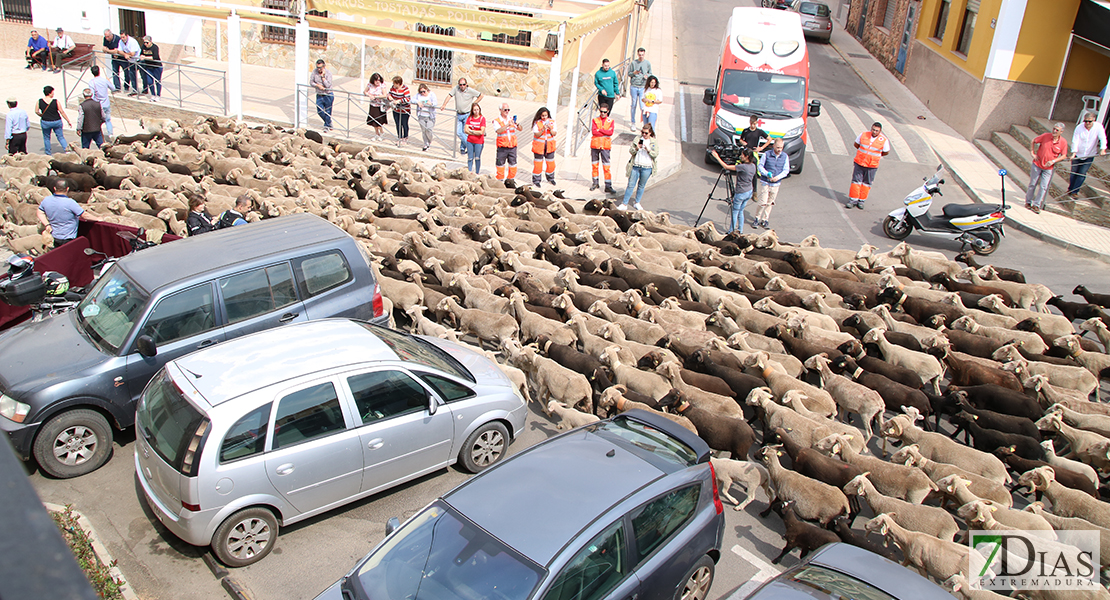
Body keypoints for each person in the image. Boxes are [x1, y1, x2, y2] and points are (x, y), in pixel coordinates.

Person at [37, 180, 101, 248]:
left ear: (55, 188)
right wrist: (97, 218)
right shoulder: (70, 203)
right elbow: (84, 215)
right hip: (68, 238)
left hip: (54, 236)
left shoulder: (46, 200)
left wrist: (47, 225)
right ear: (67, 189)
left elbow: (39, 212)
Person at [1026, 122, 1068, 214]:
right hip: (1037, 164)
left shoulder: (1063, 142)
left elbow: (1064, 155)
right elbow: (1033, 141)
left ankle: (1036, 205)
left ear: (1061, 131)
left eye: (1057, 130)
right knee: (1033, 184)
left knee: (1043, 186)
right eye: (1054, 128)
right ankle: (1028, 202)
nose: (1054, 131)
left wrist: (1053, 161)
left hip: (1048, 168)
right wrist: (1032, 153)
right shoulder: (1045, 136)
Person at [712, 148, 757, 233]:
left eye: (742, 155)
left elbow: (726, 166)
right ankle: (740, 230)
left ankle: (731, 231)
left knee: (735, 212)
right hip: (749, 191)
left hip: (741, 193)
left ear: (747, 156)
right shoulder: (753, 166)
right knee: (741, 211)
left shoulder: (743, 167)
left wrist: (717, 157)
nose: (740, 156)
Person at [847, 122, 890, 209]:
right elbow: (856, 144)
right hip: (860, 162)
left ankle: (861, 201)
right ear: (871, 129)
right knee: (856, 182)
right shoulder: (863, 135)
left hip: (872, 165)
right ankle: (853, 200)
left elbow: (886, 152)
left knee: (866, 184)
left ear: (880, 131)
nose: (874, 132)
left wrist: (874, 156)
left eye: (877, 131)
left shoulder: (884, 140)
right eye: (873, 129)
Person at [618, 123, 658, 211]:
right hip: (636, 166)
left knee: (641, 185)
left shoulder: (653, 142)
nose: (644, 134)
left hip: (647, 167)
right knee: (630, 185)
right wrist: (637, 148)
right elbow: (631, 151)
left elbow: (655, 154)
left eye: (646, 133)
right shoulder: (637, 139)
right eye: (642, 132)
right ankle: (624, 203)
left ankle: (637, 202)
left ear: (650, 133)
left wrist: (649, 150)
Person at [1067, 111, 1107, 199]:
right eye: (1086, 121)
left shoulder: (1098, 127)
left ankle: (1075, 191)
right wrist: (1074, 152)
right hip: (1078, 154)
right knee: (1074, 173)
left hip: (1089, 154)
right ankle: (1070, 189)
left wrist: (1103, 148)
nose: (1087, 123)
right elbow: (1075, 140)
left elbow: (1102, 137)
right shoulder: (1079, 128)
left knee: (1082, 173)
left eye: (1090, 121)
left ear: (1094, 120)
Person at [753, 138, 789, 228]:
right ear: (773, 146)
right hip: (766, 182)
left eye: (781, 147)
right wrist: (766, 174)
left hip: (776, 184)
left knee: (770, 203)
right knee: (763, 202)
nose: (779, 149)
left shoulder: (785, 156)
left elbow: (786, 170)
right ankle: (757, 218)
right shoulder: (767, 154)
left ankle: (765, 219)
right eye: (777, 147)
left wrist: (778, 177)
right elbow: (760, 166)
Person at [440, 78, 483, 154]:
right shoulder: (456, 89)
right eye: (460, 84)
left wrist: (474, 104)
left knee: (465, 132)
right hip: (459, 114)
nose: (462, 86)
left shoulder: (470, 90)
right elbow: (449, 95)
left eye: (464, 84)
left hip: (467, 114)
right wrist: (444, 104)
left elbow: (481, 95)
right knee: (459, 132)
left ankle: (463, 148)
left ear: (466, 84)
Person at [36, 86, 71, 155]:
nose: (53, 94)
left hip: (46, 121)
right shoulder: (56, 101)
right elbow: (61, 112)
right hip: (56, 121)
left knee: (46, 138)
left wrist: (42, 115)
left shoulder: (39, 101)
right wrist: (68, 120)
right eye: (52, 92)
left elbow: (36, 111)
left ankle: (48, 153)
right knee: (60, 137)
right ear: (49, 93)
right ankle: (67, 150)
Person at [589, 105, 616, 193]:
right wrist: (604, 131)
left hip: (605, 147)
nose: (602, 113)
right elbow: (594, 131)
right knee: (594, 165)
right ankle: (595, 183)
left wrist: (599, 130)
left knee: (606, 167)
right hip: (595, 146)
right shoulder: (595, 120)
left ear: (608, 111)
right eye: (601, 111)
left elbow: (610, 132)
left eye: (604, 112)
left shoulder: (610, 121)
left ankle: (608, 185)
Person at [492, 103, 519, 185]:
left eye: (508, 110)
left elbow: (520, 129)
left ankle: (510, 180)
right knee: (500, 164)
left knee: (513, 164)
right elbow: (498, 131)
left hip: (512, 147)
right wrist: (507, 125)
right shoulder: (497, 121)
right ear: (500, 110)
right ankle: (499, 181)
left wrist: (516, 124)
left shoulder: (511, 119)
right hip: (502, 147)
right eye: (505, 110)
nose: (507, 111)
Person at [626, 47, 652, 129]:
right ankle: (633, 122)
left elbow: (650, 73)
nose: (641, 56)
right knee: (633, 104)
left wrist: (646, 76)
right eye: (640, 54)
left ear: (644, 54)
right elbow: (629, 74)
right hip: (634, 86)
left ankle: (644, 123)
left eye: (642, 54)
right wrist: (634, 73)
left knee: (642, 106)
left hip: (642, 87)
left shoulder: (647, 63)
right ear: (638, 54)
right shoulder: (634, 63)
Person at [531, 107, 557, 187]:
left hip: (549, 146)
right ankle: (536, 180)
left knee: (551, 164)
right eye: (543, 116)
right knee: (538, 165)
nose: (544, 117)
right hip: (539, 147)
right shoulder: (537, 123)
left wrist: (550, 129)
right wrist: (543, 129)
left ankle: (550, 178)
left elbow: (554, 133)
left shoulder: (552, 122)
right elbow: (536, 134)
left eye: (546, 115)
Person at [89, 65, 116, 137]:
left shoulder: (92, 82)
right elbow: (113, 89)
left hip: (98, 105)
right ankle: (111, 134)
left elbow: (92, 94)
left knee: (97, 122)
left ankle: (98, 136)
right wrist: (109, 81)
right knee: (108, 120)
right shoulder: (105, 80)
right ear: (99, 71)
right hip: (106, 104)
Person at [311, 59, 334, 131]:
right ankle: (329, 122)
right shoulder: (314, 72)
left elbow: (328, 85)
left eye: (320, 67)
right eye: (317, 67)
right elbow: (311, 82)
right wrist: (317, 85)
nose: (319, 69)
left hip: (328, 94)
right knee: (319, 111)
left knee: (328, 111)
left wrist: (323, 77)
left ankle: (326, 126)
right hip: (319, 94)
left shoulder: (328, 73)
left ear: (324, 67)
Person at [364, 73, 388, 140]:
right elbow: (365, 91)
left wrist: (376, 96)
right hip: (373, 105)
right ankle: (376, 134)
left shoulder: (382, 85)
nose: (378, 82)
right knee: (373, 120)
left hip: (380, 105)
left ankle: (382, 132)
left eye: (379, 80)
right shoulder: (370, 84)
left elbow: (385, 95)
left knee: (379, 120)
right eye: (376, 80)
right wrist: (369, 95)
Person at [414, 83, 437, 152]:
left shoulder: (432, 94)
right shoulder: (418, 95)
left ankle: (429, 141)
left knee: (429, 129)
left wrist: (431, 104)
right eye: (421, 92)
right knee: (423, 130)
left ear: (427, 90)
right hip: (421, 115)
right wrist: (417, 102)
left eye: (424, 91)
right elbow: (412, 99)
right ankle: (425, 143)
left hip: (430, 116)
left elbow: (435, 103)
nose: (423, 93)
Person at [388, 75, 411, 146]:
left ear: (398, 83)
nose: (393, 85)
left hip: (404, 110)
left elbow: (407, 99)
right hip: (396, 109)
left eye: (394, 83)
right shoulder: (393, 88)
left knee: (404, 124)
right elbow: (389, 94)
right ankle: (400, 138)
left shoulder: (405, 89)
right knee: (398, 124)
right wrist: (389, 97)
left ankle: (405, 138)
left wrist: (399, 101)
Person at [139, 36, 163, 102]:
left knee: (157, 81)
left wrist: (145, 57)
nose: (145, 44)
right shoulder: (143, 47)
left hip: (156, 67)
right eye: (144, 42)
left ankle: (158, 95)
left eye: (147, 42)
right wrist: (141, 57)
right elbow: (141, 54)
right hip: (148, 67)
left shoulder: (155, 47)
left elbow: (155, 57)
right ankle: (153, 94)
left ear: (150, 42)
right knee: (149, 82)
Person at [464, 104, 486, 174]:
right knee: (470, 158)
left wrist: (472, 131)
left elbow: (481, 132)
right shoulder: (470, 118)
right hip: (470, 141)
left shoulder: (482, 119)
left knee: (477, 157)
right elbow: (465, 130)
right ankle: (470, 171)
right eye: (475, 110)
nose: (476, 111)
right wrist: (475, 132)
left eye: (477, 109)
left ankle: (477, 172)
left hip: (479, 142)